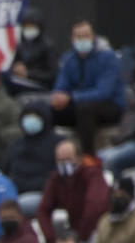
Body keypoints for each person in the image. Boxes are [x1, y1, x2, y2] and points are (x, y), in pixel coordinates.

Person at [50, 20, 125, 157]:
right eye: (78, 37)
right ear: (72, 40)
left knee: (85, 109)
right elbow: (61, 87)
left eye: (86, 36)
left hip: (110, 106)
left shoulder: (108, 57)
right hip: (78, 104)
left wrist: (72, 97)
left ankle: (88, 157)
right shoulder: (69, 59)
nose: (82, 40)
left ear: (93, 37)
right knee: (47, 110)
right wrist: (58, 98)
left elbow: (103, 92)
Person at [37, 138, 111, 243]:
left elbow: (94, 208)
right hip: (74, 231)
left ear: (79, 158)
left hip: (97, 230)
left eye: (68, 159)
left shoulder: (92, 174)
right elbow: (43, 210)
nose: (64, 164)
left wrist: (79, 238)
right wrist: (53, 240)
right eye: (60, 160)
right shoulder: (57, 179)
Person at [1, 101, 61, 215]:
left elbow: (58, 176)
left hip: (43, 194)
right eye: (27, 116)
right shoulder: (14, 145)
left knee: (16, 207)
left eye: (35, 116)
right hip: (15, 192)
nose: (30, 120)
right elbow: (5, 172)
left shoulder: (58, 144)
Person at [8, 7, 58, 92]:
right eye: (26, 26)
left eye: (32, 26)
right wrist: (16, 69)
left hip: (41, 85)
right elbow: (13, 67)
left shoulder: (47, 46)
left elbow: (53, 74)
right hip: (22, 81)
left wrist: (28, 74)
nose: (29, 29)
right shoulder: (21, 46)